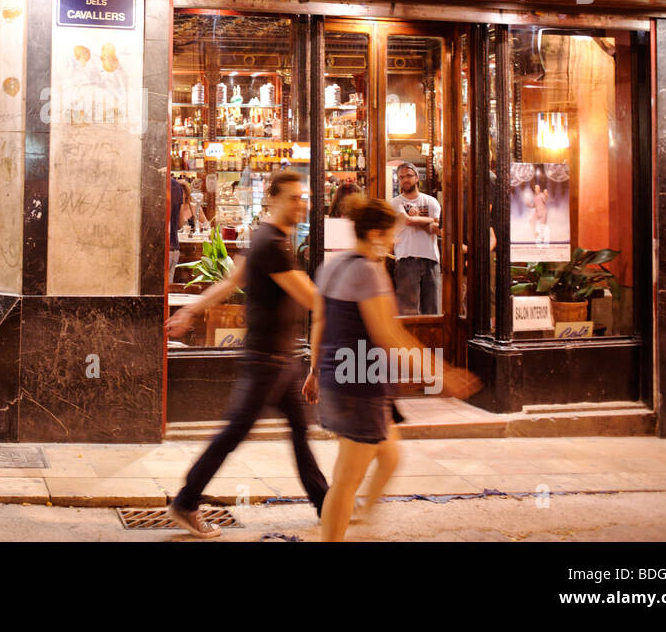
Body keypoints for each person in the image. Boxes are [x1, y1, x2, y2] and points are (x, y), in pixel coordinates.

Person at [164, 170, 330, 539]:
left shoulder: (266, 239)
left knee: (300, 430)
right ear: (272, 200)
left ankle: (326, 504)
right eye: (292, 197)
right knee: (234, 432)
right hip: (267, 360)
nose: (300, 203)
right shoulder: (270, 243)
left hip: (279, 359)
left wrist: (192, 309)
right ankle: (186, 501)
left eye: (303, 197)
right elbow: (313, 299)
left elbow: (229, 281)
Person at [305, 195, 479, 541]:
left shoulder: (332, 267)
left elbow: (320, 322)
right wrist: (439, 375)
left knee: (389, 456)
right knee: (345, 482)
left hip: (341, 377)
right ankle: (339, 529)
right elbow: (389, 334)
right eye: (391, 233)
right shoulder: (368, 272)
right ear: (374, 233)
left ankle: (363, 520)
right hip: (358, 383)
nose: (395, 240)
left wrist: (313, 371)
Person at [391, 162, 441, 316]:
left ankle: (431, 341)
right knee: (408, 311)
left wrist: (420, 220)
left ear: (417, 177)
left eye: (409, 176)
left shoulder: (431, 201)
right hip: (406, 260)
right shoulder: (395, 203)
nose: (405, 180)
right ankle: (409, 341)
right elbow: (407, 220)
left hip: (431, 259)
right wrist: (429, 220)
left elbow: (439, 228)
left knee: (432, 310)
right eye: (401, 177)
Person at [168, 175, 188, 284]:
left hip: (157, 250)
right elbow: (180, 224)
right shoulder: (176, 186)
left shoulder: (153, 184)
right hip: (173, 248)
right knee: (167, 291)